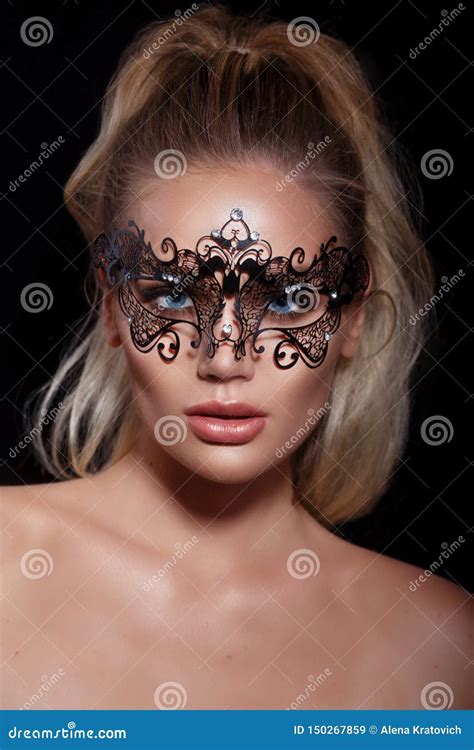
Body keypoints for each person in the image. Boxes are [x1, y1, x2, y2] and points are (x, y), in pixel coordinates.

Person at [1, 6, 471, 710]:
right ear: (109, 304)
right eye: (172, 296)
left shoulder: (442, 643)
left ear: (353, 317)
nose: (225, 358)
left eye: (284, 301)